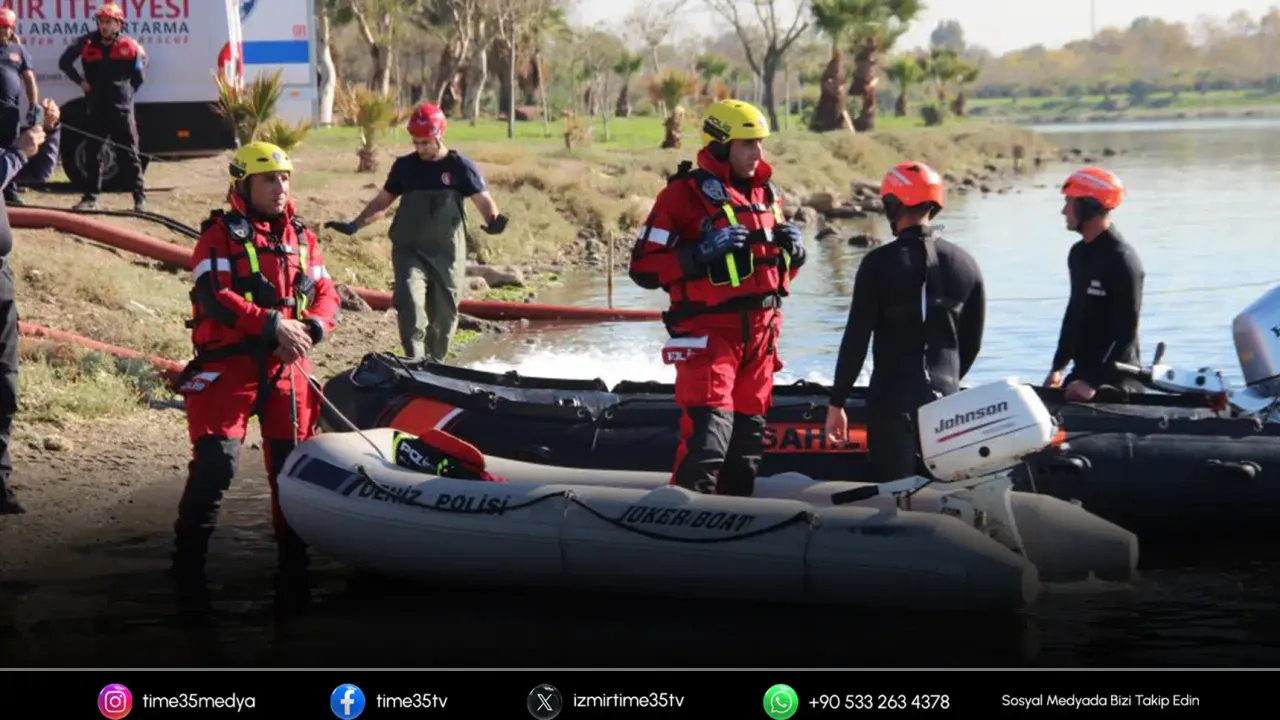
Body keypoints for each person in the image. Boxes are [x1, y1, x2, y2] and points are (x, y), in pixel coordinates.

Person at [169, 141, 340, 591]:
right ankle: (187, 570)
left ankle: (294, 570)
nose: (279, 187)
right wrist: (272, 326)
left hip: (288, 368)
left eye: (284, 177)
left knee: (292, 475)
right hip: (231, 367)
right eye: (269, 179)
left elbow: (327, 296)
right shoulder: (218, 235)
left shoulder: (302, 237)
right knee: (216, 466)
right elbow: (213, 295)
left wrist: (309, 332)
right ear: (244, 184)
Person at [628, 99, 806, 496]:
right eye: (748, 144)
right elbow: (642, 268)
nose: (757, 153)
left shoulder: (767, 193)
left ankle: (733, 528)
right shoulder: (681, 196)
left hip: (760, 338)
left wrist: (797, 253)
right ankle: (685, 524)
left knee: (746, 450)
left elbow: (776, 273)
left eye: (760, 143)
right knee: (709, 441)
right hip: (710, 335)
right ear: (722, 145)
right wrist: (697, 253)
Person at [823, 161, 985, 484]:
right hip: (947, 403)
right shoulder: (966, 264)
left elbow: (856, 339)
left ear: (892, 205)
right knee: (944, 500)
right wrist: (946, 381)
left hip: (892, 404)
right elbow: (971, 342)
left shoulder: (878, 265)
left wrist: (837, 402)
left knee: (894, 500)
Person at [325, 103, 508, 361]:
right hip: (410, 250)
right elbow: (382, 203)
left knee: (445, 315)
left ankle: (435, 364)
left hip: (447, 254)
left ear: (439, 135)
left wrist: (494, 220)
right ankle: (415, 359)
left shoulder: (460, 167)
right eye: (416, 142)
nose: (419, 148)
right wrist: (355, 224)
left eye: (425, 142)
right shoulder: (405, 167)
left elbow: (483, 201)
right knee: (409, 300)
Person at [1044, 166, 1144, 401]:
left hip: (1116, 380)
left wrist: (1093, 382)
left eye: (1069, 201)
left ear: (1087, 206)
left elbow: (1126, 332)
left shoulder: (1123, 259)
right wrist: (1058, 366)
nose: (1063, 210)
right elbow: (1074, 313)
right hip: (1082, 375)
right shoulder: (1078, 254)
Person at [58, 2, 148, 213]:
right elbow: (64, 62)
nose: (104, 26)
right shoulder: (86, 42)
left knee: (129, 154)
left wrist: (126, 95)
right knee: (94, 154)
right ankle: (91, 198)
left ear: (119, 24)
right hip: (96, 108)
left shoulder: (130, 46)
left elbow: (139, 77)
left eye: (109, 22)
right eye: (101, 21)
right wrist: (81, 82)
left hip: (122, 109)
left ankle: (139, 198)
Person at [0, 119, 46, 515]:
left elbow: (43, 171)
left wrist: (48, 129)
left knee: (5, 384)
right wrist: (18, 151)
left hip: (0, 278)